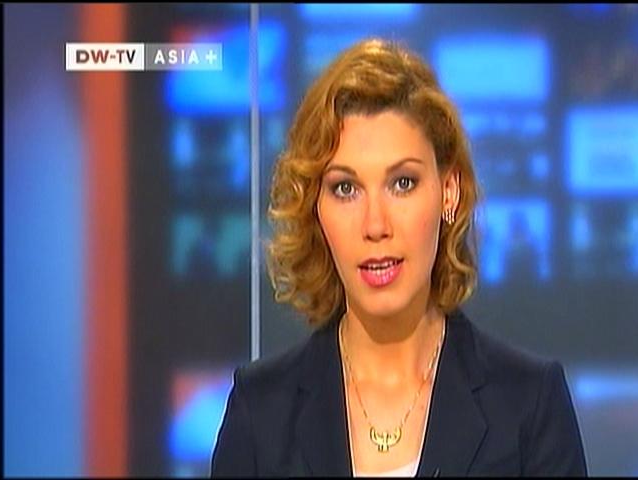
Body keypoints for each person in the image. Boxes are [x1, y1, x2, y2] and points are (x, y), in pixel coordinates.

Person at [211, 38, 587, 477]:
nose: (376, 224)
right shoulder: (259, 415)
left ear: (449, 191)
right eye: (345, 188)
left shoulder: (530, 408)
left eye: (402, 183)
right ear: (315, 208)